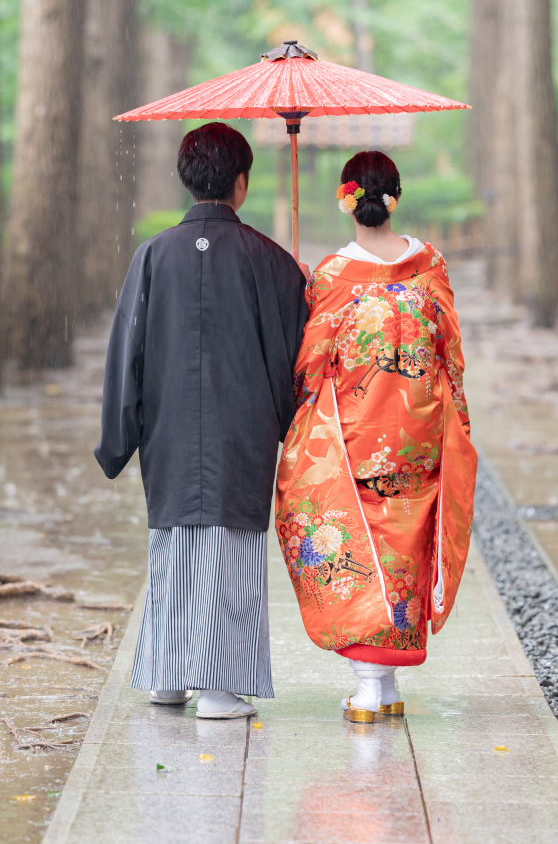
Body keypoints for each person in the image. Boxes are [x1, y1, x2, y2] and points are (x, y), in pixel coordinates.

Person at [95, 121, 308, 719]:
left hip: (166, 427)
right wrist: (300, 287)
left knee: (173, 544)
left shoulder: (152, 256)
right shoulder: (269, 260)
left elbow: (125, 355)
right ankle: (216, 688)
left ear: (188, 180)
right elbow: (296, 356)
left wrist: (120, 437)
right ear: (241, 184)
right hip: (241, 430)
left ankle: (166, 675)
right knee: (228, 550)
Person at [275, 150, 477, 723]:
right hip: (419, 431)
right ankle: (382, 684)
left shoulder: (335, 276)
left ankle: (369, 683)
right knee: (405, 548)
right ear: (396, 196)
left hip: (355, 435)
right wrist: (452, 416)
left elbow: (311, 363)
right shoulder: (429, 263)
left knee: (360, 548)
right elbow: (451, 353)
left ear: (347, 200)